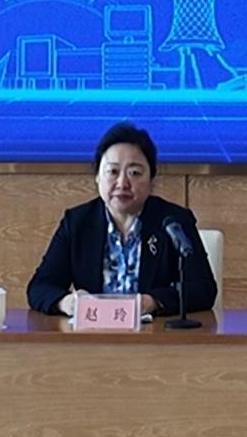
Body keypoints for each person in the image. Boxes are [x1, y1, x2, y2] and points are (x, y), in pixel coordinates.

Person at [27, 121, 219, 317]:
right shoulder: (77, 222)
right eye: (113, 171)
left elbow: (203, 289)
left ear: (151, 180)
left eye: (134, 173)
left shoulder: (173, 221)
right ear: (97, 177)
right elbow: (40, 287)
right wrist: (68, 303)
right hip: (93, 331)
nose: (122, 183)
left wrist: (152, 302)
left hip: (154, 334)